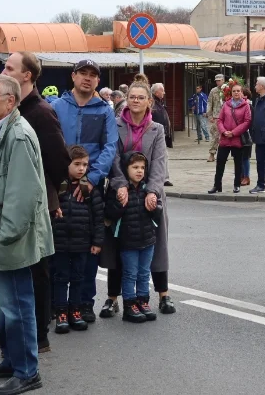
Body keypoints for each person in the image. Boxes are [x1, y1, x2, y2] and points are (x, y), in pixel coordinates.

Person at [0, 75, 52, 395]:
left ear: (10, 102)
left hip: (9, 241)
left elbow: (22, 195)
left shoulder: (17, 136)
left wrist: (5, 236)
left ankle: (27, 371)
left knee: (18, 308)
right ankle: (11, 360)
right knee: (6, 308)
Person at [3, 51, 70, 353]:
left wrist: (51, 194)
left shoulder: (40, 112)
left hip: (36, 202)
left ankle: (39, 334)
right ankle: (18, 331)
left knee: (37, 270)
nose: (3, 71)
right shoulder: (13, 109)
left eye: (9, 67)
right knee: (17, 269)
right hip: (15, 201)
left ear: (27, 75)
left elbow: (59, 160)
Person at [51, 59, 118, 323]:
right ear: (73, 76)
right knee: (58, 247)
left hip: (91, 188)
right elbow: (50, 144)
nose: (87, 79)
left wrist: (90, 178)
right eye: (83, 74)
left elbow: (110, 146)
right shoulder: (56, 107)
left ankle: (84, 302)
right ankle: (58, 305)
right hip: (61, 187)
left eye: (93, 75)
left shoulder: (104, 111)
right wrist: (61, 177)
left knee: (89, 247)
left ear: (98, 81)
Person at [105, 81, 175, 317]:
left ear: (149, 102)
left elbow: (159, 162)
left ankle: (163, 295)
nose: (135, 100)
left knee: (155, 243)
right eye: (132, 96)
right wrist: (121, 185)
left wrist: (152, 191)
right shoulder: (114, 125)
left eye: (140, 97)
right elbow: (112, 158)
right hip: (121, 192)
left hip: (150, 192)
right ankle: (113, 298)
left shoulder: (156, 129)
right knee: (118, 245)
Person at [51, 145, 104, 334]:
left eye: (85, 165)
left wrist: (97, 242)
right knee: (60, 278)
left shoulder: (89, 189)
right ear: (67, 164)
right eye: (77, 164)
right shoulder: (58, 187)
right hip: (60, 244)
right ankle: (61, 313)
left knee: (78, 279)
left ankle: (75, 311)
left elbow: (98, 217)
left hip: (82, 245)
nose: (82, 168)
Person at [106, 152, 163, 323]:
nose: (139, 171)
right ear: (126, 169)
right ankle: (129, 305)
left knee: (144, 273)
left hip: (147, 240)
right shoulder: (119, 190)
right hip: (128, 241)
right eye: (135, 167)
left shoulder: (148, 189)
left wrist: (155, 207)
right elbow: (109, 212)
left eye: (142, 168)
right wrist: (118, 203)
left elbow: (157, 214)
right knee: (130, 273)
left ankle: (143, 302)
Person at [208, 84, 251, 194]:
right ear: (231, 93)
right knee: (220, 163)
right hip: (225, 138)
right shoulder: (226, 105)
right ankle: (217, 185)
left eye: (238, 91)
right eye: (234, 91)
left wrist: (234, 132)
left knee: (238, 164)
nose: (236, 93)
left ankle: (237, 184)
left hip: (237, 139)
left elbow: (247, 122)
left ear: (242, 93)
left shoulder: (246, 106)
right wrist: (223, 131)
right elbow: (220, 120)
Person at [206, 74, 225, 162]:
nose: (218, 82)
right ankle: (212, 154)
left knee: (226, 136)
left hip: (227, 116)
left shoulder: (228, 89)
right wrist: (209, 115)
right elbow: (210, 103)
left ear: (223, 80)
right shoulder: (213, 91)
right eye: (216, 80)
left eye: (219, 80)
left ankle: (224, 154)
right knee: (215, 136)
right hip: (216, 116)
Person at [151, 83, 174, 150]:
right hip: (156, 137)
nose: (164, 93)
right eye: (162, 91)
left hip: (161, 135)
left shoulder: (159, 103)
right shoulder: (152, 104)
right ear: (157, 92)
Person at [240, 87, 255, 186]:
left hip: (246, 135)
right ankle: (240, 175)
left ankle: (246, 176)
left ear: (245, 96)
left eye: (240, 92)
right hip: (237, 135)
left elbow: (251, 122)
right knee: (239, 157)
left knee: (245, 157)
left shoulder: (249, 106)